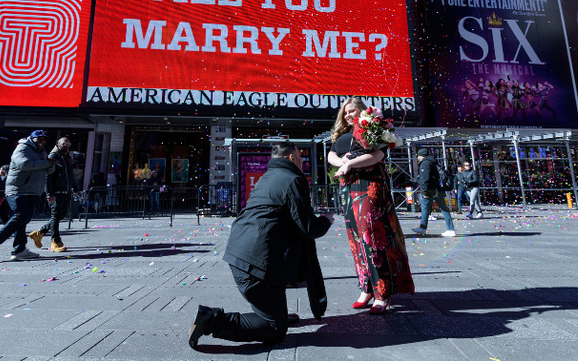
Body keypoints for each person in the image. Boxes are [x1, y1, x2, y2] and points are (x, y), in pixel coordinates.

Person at [189, 141, 333, 349]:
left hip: (243, 254)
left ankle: (276, 314)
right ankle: (211, 320)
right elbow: (309, 228)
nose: (302, 163)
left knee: (276, 313)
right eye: (300, 158)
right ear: (292, 158)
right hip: (256, 264)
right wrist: (327, 219)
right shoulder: (293, 179)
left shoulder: (268, 178)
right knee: (274, 329)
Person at [327, 97, 415, 314]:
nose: (348, 115)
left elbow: (378, 154)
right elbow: (331, 154)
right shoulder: (341, 133)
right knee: (356, 239)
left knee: (372, 237)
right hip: (348, 188)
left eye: (352, 111)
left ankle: (382, 292)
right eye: (345, 112)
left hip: (369, 185)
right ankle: (366, 287)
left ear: (362, 111)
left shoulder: (373, 126)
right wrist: (342, 163)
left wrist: (350, 163)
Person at [0, 130, 56, 261]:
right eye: (39, 139)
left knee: (22, 220)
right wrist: (46, 163)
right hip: (18, 190)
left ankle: (19, 249)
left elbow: (48, 169)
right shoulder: (23, 148)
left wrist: (51, 164)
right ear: (32, 139)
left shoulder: (42, 152)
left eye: (44, 139)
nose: (42, 142)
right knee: (21, 216)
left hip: (32, 191)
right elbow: (24, 164)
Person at [29, 137, 78, 252]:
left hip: (65, 191)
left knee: (62, 214)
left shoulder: (66, 157)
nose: (67, 145)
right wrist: (49, 193)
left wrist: (75, 188)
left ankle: (39, 233)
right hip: (56, 192)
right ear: (58, 144)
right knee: (55, 217)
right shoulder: (53, 157)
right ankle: (55, 241)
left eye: (68, 143)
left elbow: (70, 175)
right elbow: (48, 176)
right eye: (64, 143)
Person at [411, 149, 456, 237]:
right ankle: (450, 228)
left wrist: (424, 191)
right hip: (438, 189)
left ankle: (423, 227)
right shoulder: (433, 161)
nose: (418, 158)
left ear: (421, 155)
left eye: (418, 156)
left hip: (430, 190)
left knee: (425, 208)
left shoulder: (425, 163)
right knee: (443, 208)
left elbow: (425, 179)